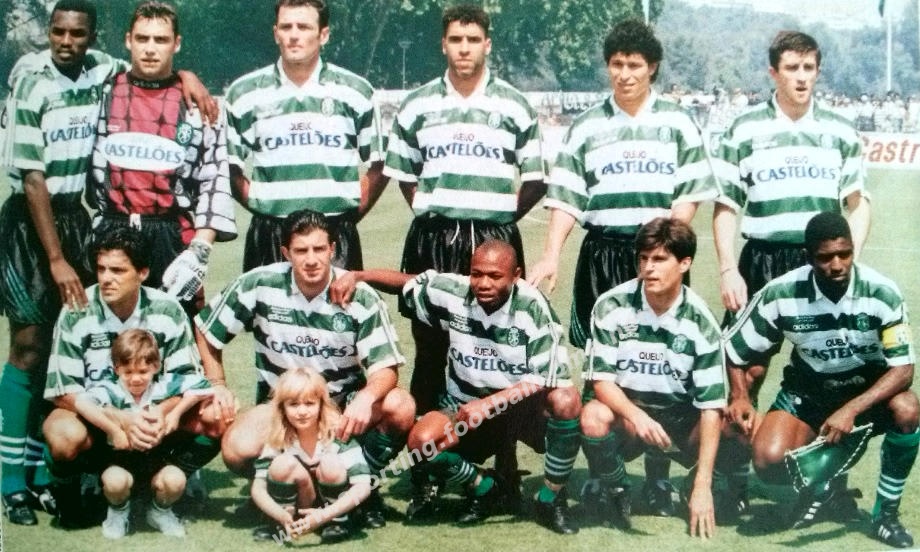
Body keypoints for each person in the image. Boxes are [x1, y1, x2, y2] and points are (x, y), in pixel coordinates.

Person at [0, 0, 214, 526]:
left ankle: (48, 473)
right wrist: (56, 258)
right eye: (57, 31)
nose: (65, 41)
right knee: (29, 345)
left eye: (77, 33)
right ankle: (12, 483)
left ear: (94, 38)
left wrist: (188, 76)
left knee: (63, 339)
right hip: (33, 220)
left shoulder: (102, 70)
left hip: (77, 220)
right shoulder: (31, 82)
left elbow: (151, 61)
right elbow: (32, 179)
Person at [527, 19, 718, 515]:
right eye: (617, 64)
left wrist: (662, 251)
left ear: (652, 67)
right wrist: (551, 253)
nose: (625, 74)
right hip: (603, 252)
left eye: (635, 65)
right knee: (602, 362)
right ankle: (602, 471)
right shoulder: (588, 125)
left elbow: (690, 194)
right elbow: (567, 197)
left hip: (656, 252)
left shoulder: (678, 122)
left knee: (659, 360)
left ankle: (657, 478)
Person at [330, 239, 582, 534]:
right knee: (422, 442)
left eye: (495, 276)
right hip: (464, 405)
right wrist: (360, 275)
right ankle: (485, 487)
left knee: (566, 400)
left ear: (516, 275)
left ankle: (550, 497)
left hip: (521, 411)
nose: (483, 283)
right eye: (477, 274)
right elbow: (407, 283)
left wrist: (489, 404)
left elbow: (546, 376)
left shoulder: (533, 306)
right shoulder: (455, 291)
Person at [194, 209, 414, 534]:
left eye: (319, 249)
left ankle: (363, 488)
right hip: (283, 406)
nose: (311, 260)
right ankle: (281, 486)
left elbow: (386, 369)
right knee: (236, 447)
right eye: (301, 250)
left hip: (339, 407)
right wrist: (217, 383)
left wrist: (366, 397)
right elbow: (206, 329)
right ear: (286, 252)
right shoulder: (259, 284)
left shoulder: (360, 296)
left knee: (400, 405)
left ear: (332, 249)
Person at [384, 4, 548, 415]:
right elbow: (404, 173)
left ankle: (498, 444)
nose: (464, 48)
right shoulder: (417, 104)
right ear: (443, 44)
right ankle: (425, 444)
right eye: (456, 39)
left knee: (498, 346)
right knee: (430, 346)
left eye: (473, 40)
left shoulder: (514, 105)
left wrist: (502, 216)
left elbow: (536, 179)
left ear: (487, 45)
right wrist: (431, 210)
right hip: (435, 235)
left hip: (493, 237)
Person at [725, 212, 918, 548]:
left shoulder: (882, 292)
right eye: (826, 257)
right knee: (768, 461)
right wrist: (740, 395)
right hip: (810, 391)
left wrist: (851, 409)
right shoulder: (781, 293)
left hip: (866, 393)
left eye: (844, 254)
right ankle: (826, 490)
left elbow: (903, 370)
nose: (837, 265)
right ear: (808, 257)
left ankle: (885, 515)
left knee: (908, 409)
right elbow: (734, 350)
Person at [712, 29, 870, 399]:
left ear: (818, 71)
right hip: (762, 260)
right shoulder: (744, 129)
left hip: (821, 262)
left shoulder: (840, 130)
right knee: (744, 373)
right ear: (773, 73)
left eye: (808, 67)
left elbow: (858, 204)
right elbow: (726, 206)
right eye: (792, 68)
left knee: (836, 369)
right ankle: (739, 436)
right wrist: (728, 269)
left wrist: (851, 261)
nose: (801, 77)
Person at [42, 225, 228, 528]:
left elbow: (187, 378)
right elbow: (62, 391)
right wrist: (121, 419)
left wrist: (161, 413)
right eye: (101, 268)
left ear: (142, 273)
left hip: (154, 417)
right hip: (98, 417)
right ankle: (74, 489)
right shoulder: (77, 309)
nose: (106, 278)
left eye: (117, 270)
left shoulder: (166, 309)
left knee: (217, 414)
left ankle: (169, 477)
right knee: (63, 433)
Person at [578, 217, 748, 539]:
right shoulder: (611, 305)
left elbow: (711, 406)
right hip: (630, 417)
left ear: (685, 263)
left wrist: (702, 487)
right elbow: (601, 381)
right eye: (643, 258)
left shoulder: (701, 322)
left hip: (679, 421)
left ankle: (691, 482)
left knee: (740, 427)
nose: (648, 268)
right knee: (593, 416)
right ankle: (615, 487)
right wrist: (638, 416)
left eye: (659, 259)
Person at [89, 0, 236, 314]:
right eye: (142, 38)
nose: (150, 49)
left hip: (171, 234)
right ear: (128, 40)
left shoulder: (199, 106)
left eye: (161, 40)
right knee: (114, 334)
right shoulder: (104, 93)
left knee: (178, 328)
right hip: (114, 229)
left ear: (176, 43)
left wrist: (200, 249)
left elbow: (214, 179)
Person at [223, 0, 386, 273]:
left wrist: (347, 215)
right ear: (276, 33)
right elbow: (228, 167)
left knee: (339, 302)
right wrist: (262, 204)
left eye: (304, 27)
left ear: (324, 34)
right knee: (266, 303)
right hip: (271, 234)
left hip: (334, 230)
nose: (294, 35)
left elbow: (380, 165)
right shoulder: (244, 94)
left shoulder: (356, 91)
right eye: (286, 27)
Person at [75, 329, 211, 539]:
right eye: (128, 372)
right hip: (120, 460)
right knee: (115, 481)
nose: (136, 379)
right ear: (117, 368)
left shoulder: (162, 387)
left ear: (155, 366)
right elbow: (82, 403)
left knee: (175, 480)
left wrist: (175, 413)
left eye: (143, 371)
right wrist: (114, 430)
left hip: (156, 460)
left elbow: (202, 385)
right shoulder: (111, 390)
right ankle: (118, 511)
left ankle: (159, 511)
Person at [251, 367, 372, 544]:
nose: (302, 411)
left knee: (330, 463)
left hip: (331, 509)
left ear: (321, 404)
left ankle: (337, 523)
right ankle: (283, 523)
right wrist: (278, 514)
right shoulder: (279, 437)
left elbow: (363, 487)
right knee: (283, 464)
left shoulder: (337, 434)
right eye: (293, 404)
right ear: (282, 407)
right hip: (298, 503)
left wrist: (324, 515)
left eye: (309, 403)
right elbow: (258, 487)